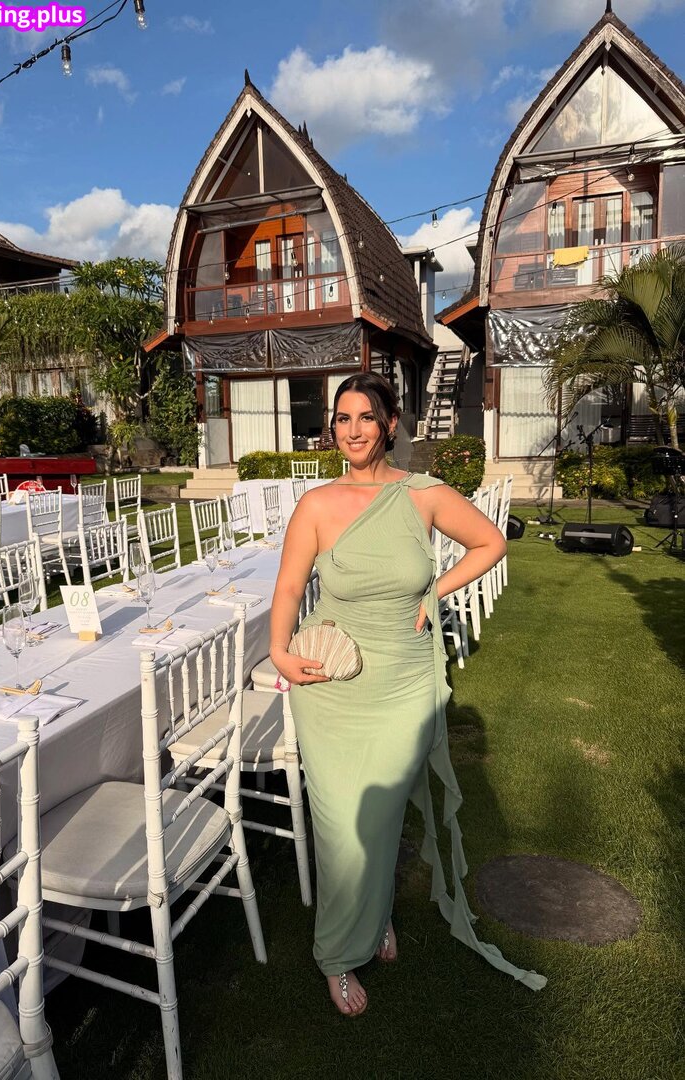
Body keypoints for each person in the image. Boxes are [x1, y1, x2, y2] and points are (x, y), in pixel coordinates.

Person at [269, 372, 545, 1016]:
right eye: (342, 418)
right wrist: (280, 650)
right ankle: (340, 955)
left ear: (390, 424)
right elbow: (288, 588)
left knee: (381, 818)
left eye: (366, 417)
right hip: (331, 684)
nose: (353, 430)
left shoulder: (423, 494)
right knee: (341, 828)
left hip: (401, 682)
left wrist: (437, 589)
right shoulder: (316, 505)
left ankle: (371, 919)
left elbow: (491, 542)